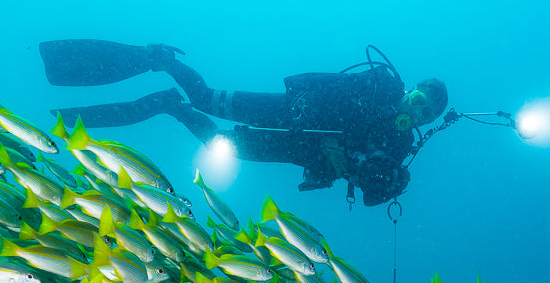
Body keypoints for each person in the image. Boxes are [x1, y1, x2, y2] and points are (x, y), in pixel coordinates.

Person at [41, 41, 447, 206]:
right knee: (206, 97)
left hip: (293, 150)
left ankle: (169, 105)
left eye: (426, 113)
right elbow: (330, 84)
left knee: (218, 141)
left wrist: (391, 180)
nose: (417, 111)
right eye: (420, 100)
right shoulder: (379, 83)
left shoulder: (400, 146)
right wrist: (310, 113)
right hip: (288, 112)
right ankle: (160, 60)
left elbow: (373, 190)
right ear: (411, 90)